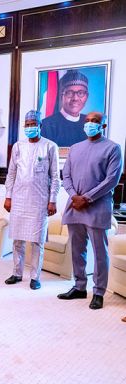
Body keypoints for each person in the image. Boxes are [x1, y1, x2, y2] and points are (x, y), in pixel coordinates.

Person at [57, 112, 122, 310]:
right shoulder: (75, 148)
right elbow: (65, 175)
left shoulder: (112, 148)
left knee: (100, 252)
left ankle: (99, 292)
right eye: (87, 121)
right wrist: (73, 195)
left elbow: (112, 179)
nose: (90, 124)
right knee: (77, 250)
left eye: (95, 121)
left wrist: (87, 197)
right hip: (75, 206)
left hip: (97, 207)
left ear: (103, 125)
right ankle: (79, 287)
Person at [4, 110, 60, 290]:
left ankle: (35, 277)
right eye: (27, 125)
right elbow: (11, 173)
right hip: (19, 199)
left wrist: (52, 200)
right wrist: (8, 196)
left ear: (40, 126)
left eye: (33, 124)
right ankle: (17, 273)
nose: (30, 127)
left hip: (39, 200)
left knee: (37, 240)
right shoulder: (18, 146)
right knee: (17, 240)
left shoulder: (50, 146)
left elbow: (55, 176)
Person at [41, 70, 90, 148]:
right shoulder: (47, 125)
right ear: (61, 96)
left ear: (86, 96)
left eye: (80, 93)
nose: (75, 98)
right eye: (69, 93)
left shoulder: (90, 123)